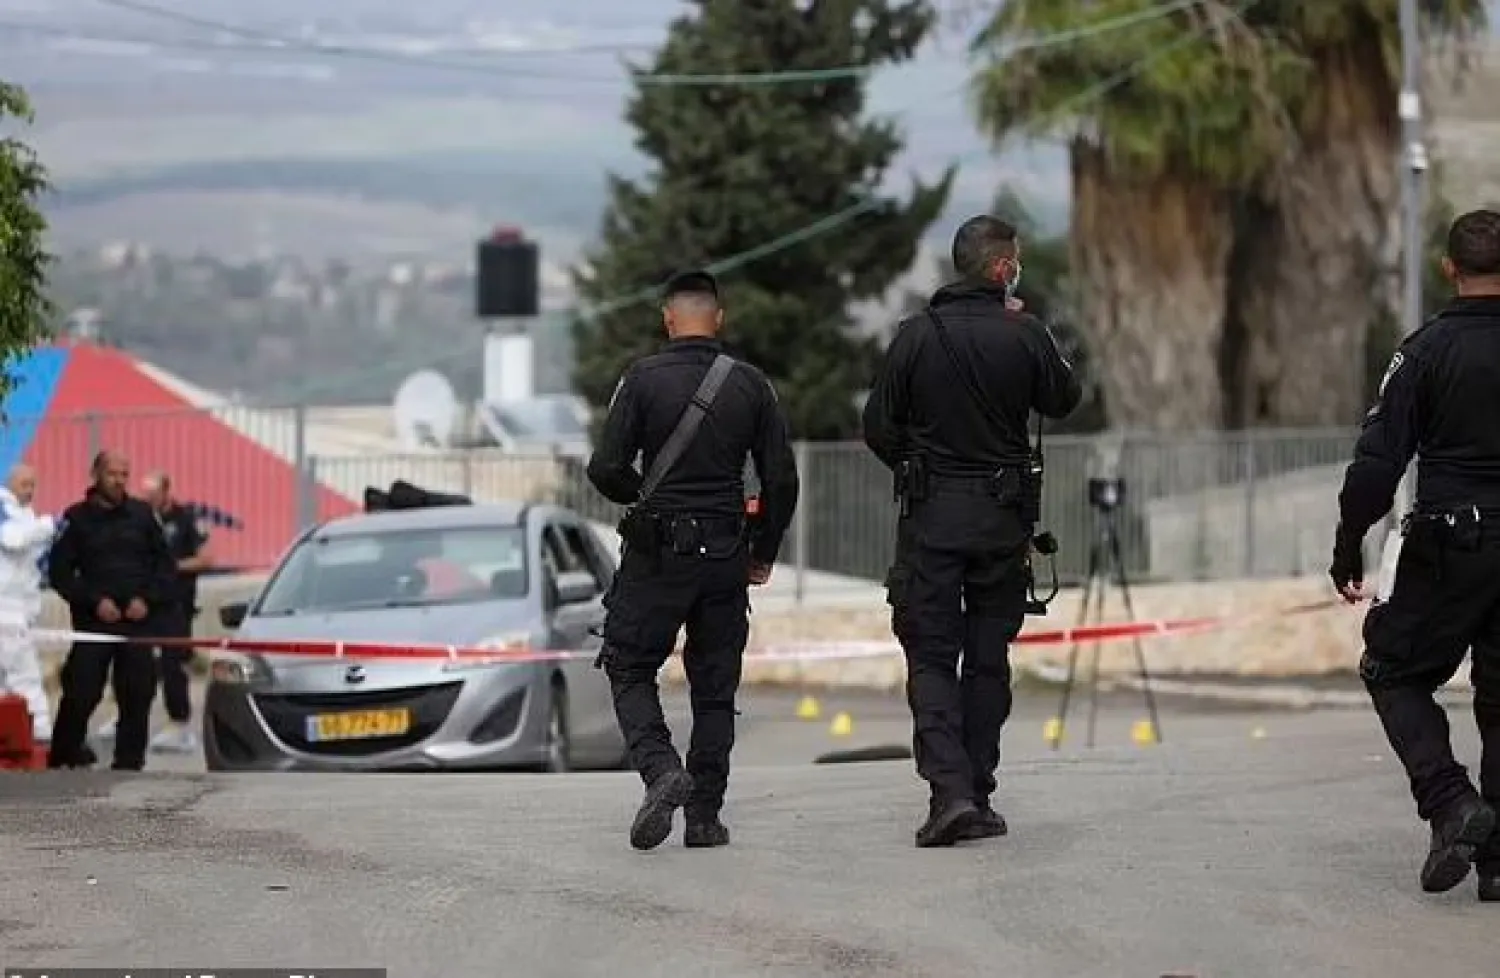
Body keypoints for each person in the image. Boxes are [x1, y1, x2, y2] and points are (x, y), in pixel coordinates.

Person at [862, 215, 1082, 848]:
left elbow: (878, 426)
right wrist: (1030, 329)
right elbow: (1064, 397)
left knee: (930, 653)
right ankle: (976, 788)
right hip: (1001, 523)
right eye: (1013, 260)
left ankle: (951, 793)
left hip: (931, 519)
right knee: (988, 657)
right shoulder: (1026, 332)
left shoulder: (914, 337)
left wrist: (915, 466)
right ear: (999, 269)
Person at [586, 269, 799, 852]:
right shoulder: (752, 385)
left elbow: (604, 467)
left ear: (668, 318)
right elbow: (781, 477)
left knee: (628, 666)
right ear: (719, 319)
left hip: (657, 553)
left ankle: (661, 771)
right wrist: (763, 550)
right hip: (727, 554)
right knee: (713, 688)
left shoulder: (642, 379)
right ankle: (704, 817)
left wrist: (644, 498)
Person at [1329, 208, 1500, 901]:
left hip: (1452, 542)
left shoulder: (1425, 351)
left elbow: (1377, 465)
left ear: (1449, 269)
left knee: (1391, 669)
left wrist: (1348, 546)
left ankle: (1451, 802)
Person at [46, 450, 177, 771]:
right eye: (112, 474)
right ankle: (65, 755)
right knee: (81, 690)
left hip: (136, 622)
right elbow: (60, 573)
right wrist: (94, 601)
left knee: (137, 693)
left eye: (124, 475)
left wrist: (146, 600)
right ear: (95, 475)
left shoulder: (142, 515)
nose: (118, 481)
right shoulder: (76, 519)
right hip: (95, 623)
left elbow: (165, 566)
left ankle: (129, 762)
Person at [0, 464, 58, 745]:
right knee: (25, 676)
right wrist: (49, 526)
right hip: (5, 610)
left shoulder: (24, 515)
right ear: (10, 483)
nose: (30, 490)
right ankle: (40, 735)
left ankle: (15, 737)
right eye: (25, 484)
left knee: (8, 678)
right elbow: (14, 540)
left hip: (19, 611)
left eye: (33, 484)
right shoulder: (3, 508)